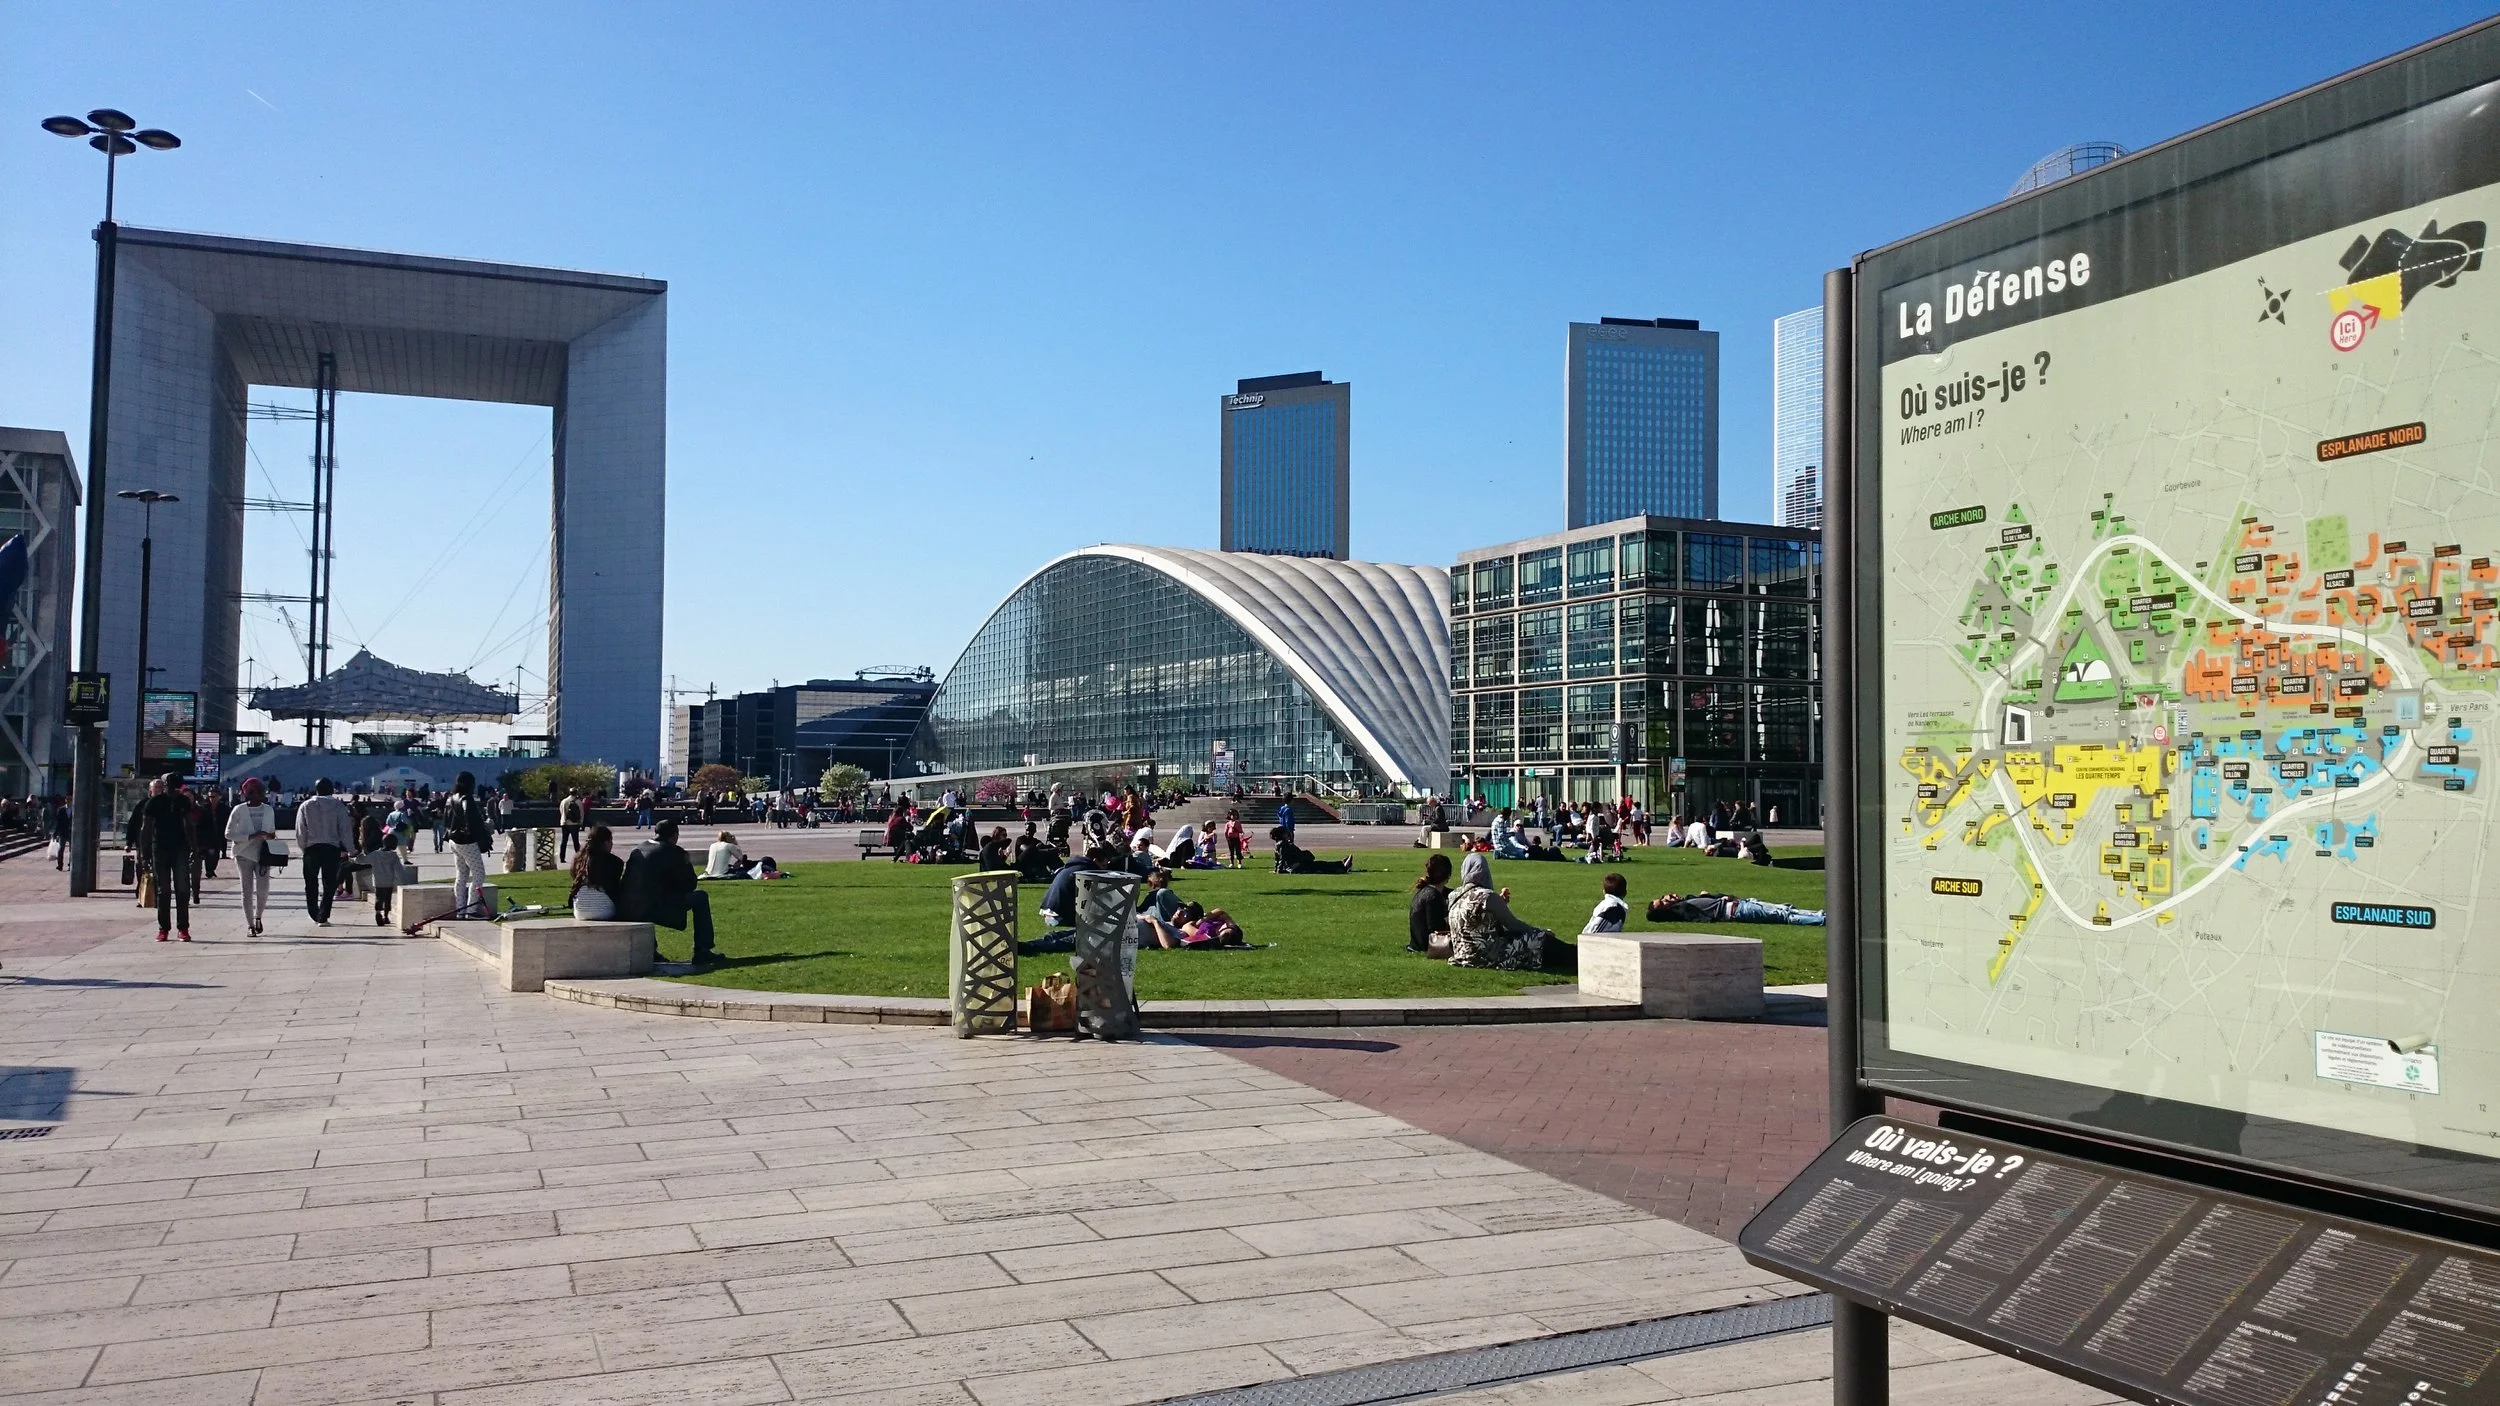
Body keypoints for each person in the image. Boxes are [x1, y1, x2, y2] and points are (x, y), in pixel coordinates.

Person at [1447, 853, 1569, 971]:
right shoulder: (1486, 896)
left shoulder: (1454, 896)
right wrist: (1541, 932)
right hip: (1487, 955)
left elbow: (1475, 921)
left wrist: (1500, 904)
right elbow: (1512, 924)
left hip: (1463, 954)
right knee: (1539, 938)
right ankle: (1576, 955)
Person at [620, 819, 717, 963]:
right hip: (656, 906)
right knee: (700, 897)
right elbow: (689, 884)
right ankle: (702, 949)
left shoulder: (638, 849)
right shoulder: (673, 852)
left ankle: (651, 950)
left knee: (647, 897)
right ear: (674, 836)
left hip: (628, 906)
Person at [139, 776, 195, 942]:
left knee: (182, 889)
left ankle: (183, 928)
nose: (174, 790)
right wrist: (145, 854)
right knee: (163, 891)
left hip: (179, 847)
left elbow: (189, 824)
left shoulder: (183, 801)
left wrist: (194, 847)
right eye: (171, 787)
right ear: (165, 787)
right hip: (160, 848)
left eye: (176, 787)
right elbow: (146, 829)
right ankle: (163, 928)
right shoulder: (154, 803)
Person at [294, 779, 355, 927]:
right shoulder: (338, 806)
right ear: (332, 790)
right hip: (331, 848)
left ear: (316, 790)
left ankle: (314, 912)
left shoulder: (306, 805)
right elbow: (345, 830)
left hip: (311, 848)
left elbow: (300, 830)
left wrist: (303, 848)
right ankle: (323, 915)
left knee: (311, 882)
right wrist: (351, 849)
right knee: (329, 883)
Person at [225, 778, 279, 937]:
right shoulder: (239, 810)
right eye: (257, 792)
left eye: (262, 792)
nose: (261, 795)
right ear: (249, 794)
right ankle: (250, 925)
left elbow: (272, 831)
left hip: (262, 853)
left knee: (263, 889)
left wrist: (269, 836)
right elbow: (228, 833)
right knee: (246, 890)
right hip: (243, 853)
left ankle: (258, 917)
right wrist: (250, 836)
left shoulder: (269, 810)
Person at [442, 772, 495, 916]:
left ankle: (460, 909)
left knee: (461, 874)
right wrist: (483, 830)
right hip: (466, 841)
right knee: (479, 873)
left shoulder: (450, 798)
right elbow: (472, 820)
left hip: (453, 839)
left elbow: (445, 821)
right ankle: (471, 910)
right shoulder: (466, 799)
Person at [1645, 891, 1825, 925]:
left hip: (1741, 904)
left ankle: (1818, 915)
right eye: (1664, 901)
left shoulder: (1687, 903)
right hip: (1737, 910)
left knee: (1785, 909)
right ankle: (1821, 919)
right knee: (1783, 915)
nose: (1668, 897)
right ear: (1666, 910)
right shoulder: (1683, 909)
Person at [569, 825, 624, 919]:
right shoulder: (614, 861)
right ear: (606, 842)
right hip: (605, 910)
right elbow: (614, 888)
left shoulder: (577, 860)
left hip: (580, 911)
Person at [1409, 852, 1452, 954]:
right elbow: (1435, 929)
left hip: (1417, 944)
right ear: (1448, 876)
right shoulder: (1433, 896)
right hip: (1427, 946)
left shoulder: (1425, 891)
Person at [1271, 825, 1354, 874]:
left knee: (1320, 864)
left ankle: (1341, 864)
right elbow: (1282, 858)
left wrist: (1277, 869)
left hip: (1297, 864)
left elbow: (1277, 860)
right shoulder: (1284, 845)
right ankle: (1342, 866)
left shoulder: (1278, 845)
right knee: (1320, 866)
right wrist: (1280, 870)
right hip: (1297, 866)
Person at [558, 789, 586, 861]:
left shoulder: (564, 801)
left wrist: (563, 820)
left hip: (564, 823)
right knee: (575, 841)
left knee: (564, 841)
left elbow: (561, 811)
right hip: (574, 823)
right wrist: (581, 823)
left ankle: (562, 857)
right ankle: (578, 857)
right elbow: (581, 813)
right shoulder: (578, 802)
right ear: (576, 793)